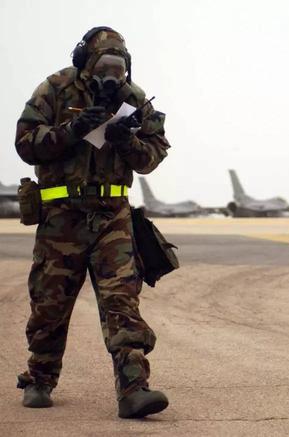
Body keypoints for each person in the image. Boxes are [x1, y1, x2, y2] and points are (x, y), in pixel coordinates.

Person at [14, 26, 170, 419]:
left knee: (122, 301)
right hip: (61, 217)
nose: (111, 74)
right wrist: (75, 129)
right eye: (103, 65)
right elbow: (25, 144)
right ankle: (39, 379)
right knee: (50, 302)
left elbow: (152, 157)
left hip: (111, 217)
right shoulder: (55, 89)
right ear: (84, 62)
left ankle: (133, 388)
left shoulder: (134, 99)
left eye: (119, 66)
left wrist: (125, 140)